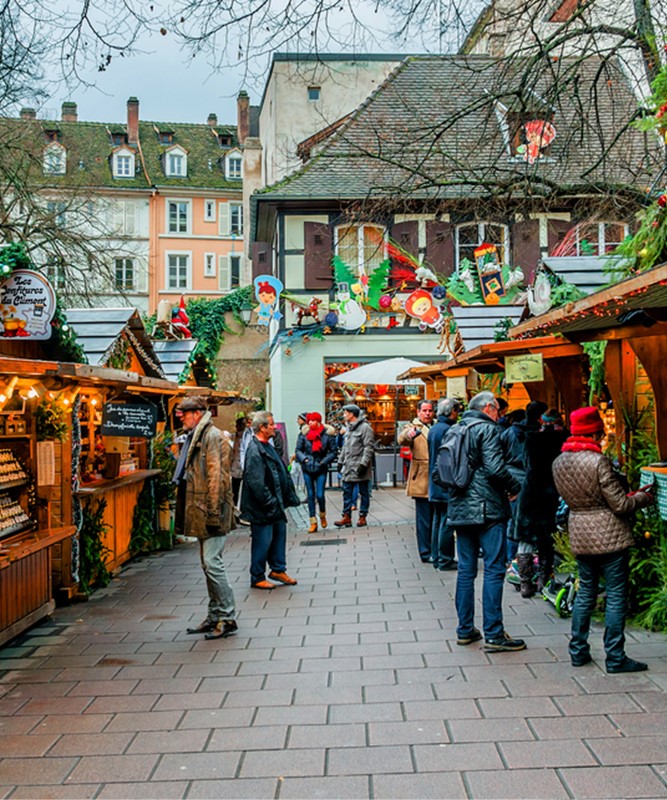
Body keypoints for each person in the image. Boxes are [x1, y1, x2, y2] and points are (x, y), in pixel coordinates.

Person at [552, 406, 653, 673]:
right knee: (616, 594)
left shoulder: (559, 462)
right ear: (595, 433)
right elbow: (620, 505)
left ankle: (577, 651)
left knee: (586, 590)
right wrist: (642, 497)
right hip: (610, 536)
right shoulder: (598, 462)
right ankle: (615, 657)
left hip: (581, 534)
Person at [447, 390, 525, 652]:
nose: (499, 415)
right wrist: (514, 486)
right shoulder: (488, 430)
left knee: (466, 571)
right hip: (488, 509)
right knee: (493, 569)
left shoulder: (454, 430)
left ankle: (465, 629)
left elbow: (438, 473)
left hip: (459, 508)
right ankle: (494, 632)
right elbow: (495, 468)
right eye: (498, 410)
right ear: (490, 408)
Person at [173, 396, 237, 640]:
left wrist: (212, 511)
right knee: (207, 564)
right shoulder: (198, 435)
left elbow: (217, 478)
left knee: (212, 563)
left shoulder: (211, 436)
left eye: (184, 415)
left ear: (197, 414)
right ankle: (215, 615)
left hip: (211, 509)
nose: (181, 419)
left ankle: (227, 616)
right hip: (203, 508)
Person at [511, 401, 568, 597]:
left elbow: (527, 464)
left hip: (531, 493)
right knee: (547, 539)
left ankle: (526, 582)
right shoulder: (565, 440)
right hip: (553, 493)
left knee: (526, 539)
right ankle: (544, 578)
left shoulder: (531, 439)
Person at [241, 410, 301, 590]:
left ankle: (277, 569)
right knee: (263, 540)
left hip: (274, 503)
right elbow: (255, 481)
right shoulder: (254, 449)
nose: (275, 427)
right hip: (263, 506)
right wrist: (270, 502)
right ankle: (257, 576)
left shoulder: (267, 445)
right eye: (272, 424)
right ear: (262, 427)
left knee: (278, 535)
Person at [398, 399, 435, 562]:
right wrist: (410, 434)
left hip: (438, 476)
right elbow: (403, 439)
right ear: (418, 412)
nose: (427, 413)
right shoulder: (412, 427)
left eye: (430, 410)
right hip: (422, 477)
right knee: (424, 519)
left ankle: (436, 549)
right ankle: (425, 552)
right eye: (425, 411)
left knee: (437, 518)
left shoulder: (437, 425)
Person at [428, 397, 461, 571]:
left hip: (435, 482)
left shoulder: (434, 429)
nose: (458, 414)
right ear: (452, 411)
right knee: (446, 522)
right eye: (457, 410)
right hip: (444, 480)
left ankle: (437, 556)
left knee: (437, 520)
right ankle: (445, 559)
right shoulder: (448, 430)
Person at [295, 411, 338, 533]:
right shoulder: (303, 434)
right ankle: (313, 521)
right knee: (310, 495)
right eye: (309, 421)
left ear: (318, 421)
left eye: (312, 421)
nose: (310, 423)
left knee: (320, 494)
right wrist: (304, 459)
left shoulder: (327, 435)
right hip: (307, 467)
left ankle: (322, 514)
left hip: (321, 467)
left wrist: (324, 462)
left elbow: (333, 451)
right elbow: (298, 450)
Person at [334, 404, 375, 528]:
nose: (344, 415)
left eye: (346, 412)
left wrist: (363, 463)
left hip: (359, 466)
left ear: (352, 414)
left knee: (364, 492)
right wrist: (340, 461)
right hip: (348, 466)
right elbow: (345, 447)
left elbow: (368, 447)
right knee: (346, 492)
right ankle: (346, 516)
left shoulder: (365, 428)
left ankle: (362, 516)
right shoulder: (348, 428)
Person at [231, 416, 249, 509]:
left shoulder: (247, 435)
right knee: (235, 490)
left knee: (243, 491)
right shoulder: (235, 436)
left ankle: (242, 510)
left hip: (244, 467)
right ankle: (235, 510)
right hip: (235, 467)